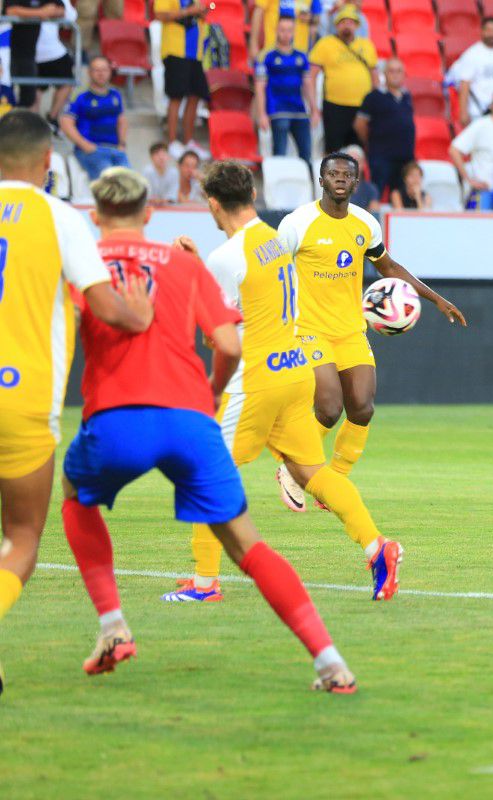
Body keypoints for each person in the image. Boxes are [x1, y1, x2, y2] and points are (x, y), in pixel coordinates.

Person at [58, 166, 357, 692]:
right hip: (187, 420)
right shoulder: (185, 264)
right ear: (149, 213)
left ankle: (113, 626)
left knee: (73, 497)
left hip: (116, 420)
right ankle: (331, 663)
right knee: (249, 545)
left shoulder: (84, 267)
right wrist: (212, 394)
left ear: (95, 216)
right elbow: (230, 343)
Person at [162, 159, 401, 603]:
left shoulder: (226, 256)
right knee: (312, 472)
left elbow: (219, 333)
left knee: (207, 471)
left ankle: (204, 583)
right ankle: (376, 548)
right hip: (294, 373)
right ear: (253, 196)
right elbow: (252, 294)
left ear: (213, 204)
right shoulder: (273, 240)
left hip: (256, 379)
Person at [0, 112, 151, 695]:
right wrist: (139, 314)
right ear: (46, 163)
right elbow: (107, 306)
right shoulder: (57, 216)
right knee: (20, 537)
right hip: (22, 397)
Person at [271, 152, 467, 510]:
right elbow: (270, 270)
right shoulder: (297, 223)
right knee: (329, 408)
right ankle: (292, 467)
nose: (340, 179)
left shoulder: (365, 224)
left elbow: (388, 266)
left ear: (357, 183)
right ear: (321, 181)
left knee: (361, 408)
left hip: (349, 331)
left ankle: (335, 480)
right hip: (308, 329)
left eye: (347, 175)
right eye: (333, 174)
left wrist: (437, 299)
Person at [309, 5, 378, 153]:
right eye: (343, 22)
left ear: (357, 25)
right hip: (334, 105)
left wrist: (375, 104)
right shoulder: (325, 44)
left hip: (362, 106)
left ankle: (355, 177)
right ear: (337, 25)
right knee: (333, 150)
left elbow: (374, 76)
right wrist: (314, 106)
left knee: (358, 151)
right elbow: (311, 75)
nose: (347, 25)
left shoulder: (367, 45)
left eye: (351, 22)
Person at [255, 16, 319, 160]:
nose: (286, 34)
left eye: (289, 30)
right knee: (280, 155)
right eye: (282, 30)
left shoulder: (301, 56)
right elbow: (259, 87)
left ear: (294, 32)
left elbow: (308, 84)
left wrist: (314, 110)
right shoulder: (266, 56)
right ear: (276, 31)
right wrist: (262, 114)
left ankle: (309, 181)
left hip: (299, 111)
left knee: (306, 155)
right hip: (278, 111)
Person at [154, 0, 210, 157]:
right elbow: (159, 14)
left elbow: (203, 14)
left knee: (196, 95)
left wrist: (202, 11)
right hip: (175, 50)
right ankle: (172, 142)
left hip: (196, 53)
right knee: (176, 96)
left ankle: (188, 141)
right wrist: (188, 11)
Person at [354, 58, 416, 198]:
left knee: (401, 197)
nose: (395, 75)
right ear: (384, 74)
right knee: (377, 193)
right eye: (391, 71)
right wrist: (370, 141)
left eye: (399, 71)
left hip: (405, 158)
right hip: (381, 157)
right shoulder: (373, 97)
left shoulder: (407, 96)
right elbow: (359, 124)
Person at [60, 56, 129, 180]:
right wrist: (84, 145)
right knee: (110, 181)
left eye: (104, 70)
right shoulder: (80, 95)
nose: (101, 74)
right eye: (97, 70)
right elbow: (66, 122)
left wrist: (122, 144)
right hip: (92, 150)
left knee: (131, 182)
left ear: (110, 72)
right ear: (89, 72)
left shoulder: (115, 94)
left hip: (116, 149)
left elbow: (122, 120)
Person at [450, 17, 493, 128]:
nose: (492, 34)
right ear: (482, 31)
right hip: (479, 111)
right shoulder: (472, 53)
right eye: (489, 30)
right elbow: (464, 84)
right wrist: (463, 112)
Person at [4, 0, 65, 109]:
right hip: (6, 53)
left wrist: (32, 13)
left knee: (28, 97)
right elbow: (11, 11)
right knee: (5, 93)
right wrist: (41, 12)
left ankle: (21, 123)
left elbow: (60, 10)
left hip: (28, 55)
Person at [33, 0, 75, 126]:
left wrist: (57, 11)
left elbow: (71, 16)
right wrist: (42, 12)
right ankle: (34, 124)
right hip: (28, 52)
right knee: (34, 89)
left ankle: (52, 119)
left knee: (66, 83)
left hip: (53, 51)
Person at [251, 0, 321, 61]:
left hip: (300, 52)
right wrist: (253, 45)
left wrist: (310, 17)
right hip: (273, 50)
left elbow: (317, 17)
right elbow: (258, 12)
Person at [342, 145, 380, 211]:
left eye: (356, 162)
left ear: (364, 164)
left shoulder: (371, 189)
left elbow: (374, 214)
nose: (353, 166)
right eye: (349, 162)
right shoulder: (336, 187)